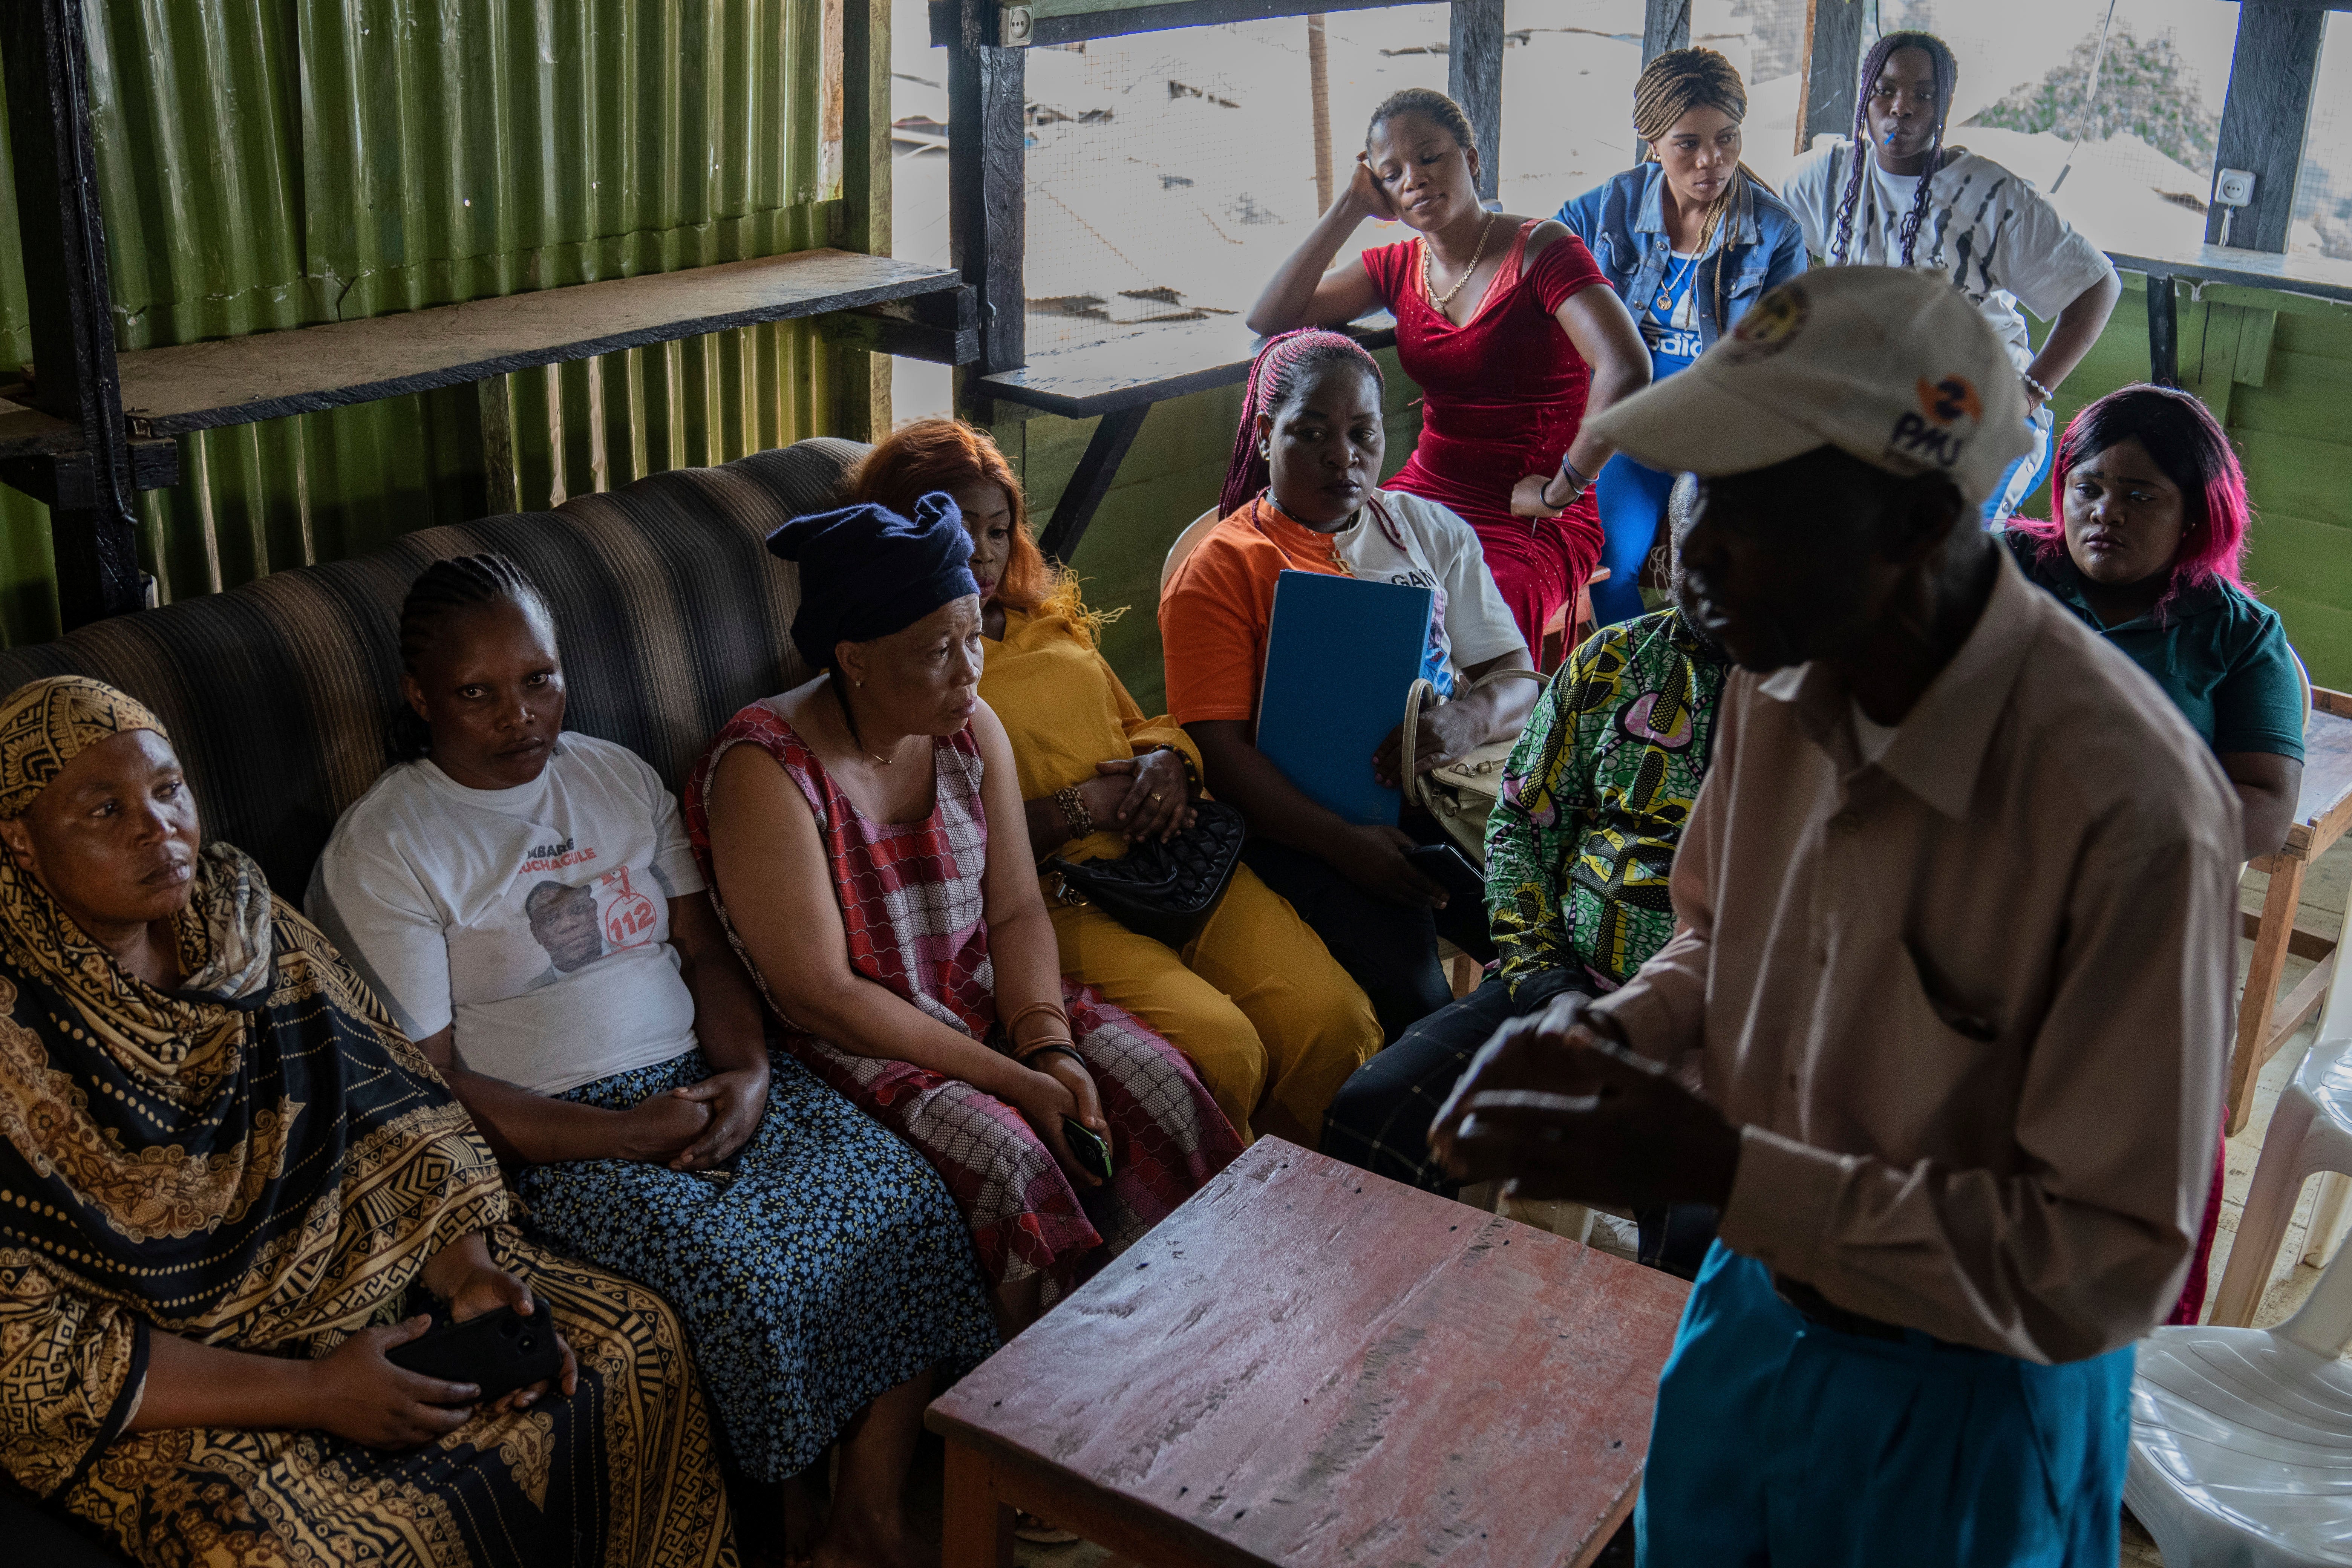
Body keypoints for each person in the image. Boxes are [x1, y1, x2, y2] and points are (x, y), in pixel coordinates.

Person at [1433, 268, 2237, 1567]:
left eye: (1747, 506)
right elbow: (1716, 938)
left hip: (1970, 1403)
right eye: (1694, 491)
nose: (1689, 554)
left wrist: (1724, 1173)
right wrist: (1619, 1036)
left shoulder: (2128, 810)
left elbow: (2102, 1259)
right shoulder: (1779, 678)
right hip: (1754, 1315)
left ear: (1916, 522)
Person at [307, 556, 998, 1568]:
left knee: (904, 1201)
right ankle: (789, 1530)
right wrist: (621, 1134)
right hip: (549, 1136)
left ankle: (871, 1518)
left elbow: (705, 951)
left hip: (702, 1077)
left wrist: (748, 1076)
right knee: (743, 1283)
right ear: (419, 698)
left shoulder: (613, 776)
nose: (519, 715)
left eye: (539, 679)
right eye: (476, 693)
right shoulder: (388, 846)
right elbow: (432, 1085)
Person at [0, 677, 736, 1568]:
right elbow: (28, 1345)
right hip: (176, 1380)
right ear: (21, 844)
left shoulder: (247, 924)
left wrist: (465, 1272)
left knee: (632, 1343)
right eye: (104, 810)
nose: (157, 827)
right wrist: (313, 1392)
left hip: (363, 1270)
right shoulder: (16, 1031)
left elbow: (392, 1099)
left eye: (167, 790)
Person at [685, 496, 1240, 1338]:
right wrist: (1018, 1081)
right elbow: (823, 996)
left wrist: (1046, 1041)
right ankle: (1024, 1418)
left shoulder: (970, 728)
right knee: (1014, 1162)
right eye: (937, 652)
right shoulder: (765, 771)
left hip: (983, 1003)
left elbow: (1016, 911)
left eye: (973, 636)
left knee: (1165, 1087)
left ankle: (1189, 1339)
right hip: (862, 1051)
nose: (969, 671)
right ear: (856, 659)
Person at [847, 420, 1381, 1146]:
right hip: (1060, 896)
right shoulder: (906, 669)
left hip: (1173, 855)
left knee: (1336, 1021)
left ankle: (1323, 1200)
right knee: (1225, 1048)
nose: (983, 551)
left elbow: (1144, 723)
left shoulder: (1045, 620)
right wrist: (1079, 809)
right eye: (958, 525)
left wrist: (1168, 762)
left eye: (999, 529)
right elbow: (935, 847)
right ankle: (1233, 1225)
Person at [1321, 476, 1729, 1276]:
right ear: (1667, 556)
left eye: (1743, 554)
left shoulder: (1819, 703)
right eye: (1693, 554)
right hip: (1562, 985)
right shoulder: (1614, 662)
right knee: (1374, 1118)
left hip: (1719, 1032)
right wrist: (1549, 986)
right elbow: (1520, 829)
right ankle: (1408, 1333)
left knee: (1700, 1229)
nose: (1713, 579)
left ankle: (1631, 1392)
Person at [1161, 329, 1539, 1044]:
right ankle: (1414, 1138)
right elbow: (1221, 751)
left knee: (1551, 942)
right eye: (1312, 433)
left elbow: (1516, 677)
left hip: (1448, 803)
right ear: (1266, 435)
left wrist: (1468, 718)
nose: (1345, 457)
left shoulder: (1428, 530)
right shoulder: (1224, 566)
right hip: (1300, 827)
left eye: (1363, 432)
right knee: (1418, 1000)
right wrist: (1343, 843)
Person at [1246, 86, 1651, 654]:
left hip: (1528, 510)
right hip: (1426, 490)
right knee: (1325, 584)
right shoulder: (1399, 266)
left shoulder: (1542, 251)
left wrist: (1563, 489)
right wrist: (1350, 207)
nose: (1414, 178)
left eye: (1431, 157)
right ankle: (1368, 740)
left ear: (1472, 159)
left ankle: (1483, 741)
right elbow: (1269, 315)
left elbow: (1627, 367)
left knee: (1485, 624)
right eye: (1392, 173)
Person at [1781, 31, 2123, 525]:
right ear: (1864, 96)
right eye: (1886, 89)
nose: (1902, 107)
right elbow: (1766, 240)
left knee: (1937, 553)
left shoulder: (1988, 195)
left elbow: (2098, 285)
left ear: (1944, 108)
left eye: (1924, 95)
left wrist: (2031, 390)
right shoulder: (1824, 178)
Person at [1555, 47, 1808, 626]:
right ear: (1652, 143)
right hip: (1628, 422)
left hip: (1720, 432)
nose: (1711, 161)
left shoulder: (1774, 232)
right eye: (1687, 143)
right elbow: (1538, 278)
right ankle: (1633, 689)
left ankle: (1700, 691)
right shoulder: (1603, 212)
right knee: (1607, 565)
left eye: (1727, 138)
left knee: (1709, 570)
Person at [2006, 384, 2305, 863]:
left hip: (2132, 877)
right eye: (2088, 489)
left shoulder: (2241, 634)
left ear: (2193, 515)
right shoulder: (2002, 570)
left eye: (2141, 496)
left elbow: (2266, 805)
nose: (2106, 512)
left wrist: (2130, 841)